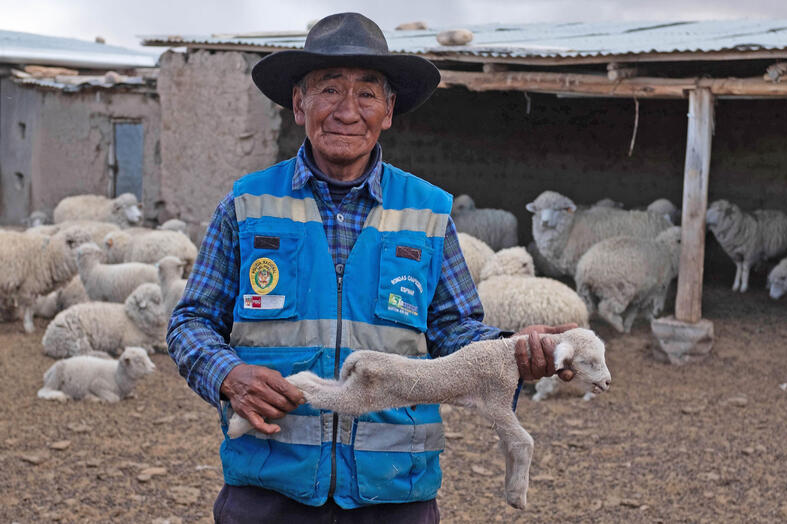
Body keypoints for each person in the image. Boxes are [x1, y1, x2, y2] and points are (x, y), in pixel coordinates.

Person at [167, 12, 574, 524]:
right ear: (299, 103)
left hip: (394, 493)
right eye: (328, 89)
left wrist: (512, 351)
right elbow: (192, 321)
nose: (346, 110)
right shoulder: (247, 204)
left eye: (366, 93)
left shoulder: (427, 211)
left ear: (387, 111)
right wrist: (228, 374)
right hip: (269, 489)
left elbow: (453, 330)